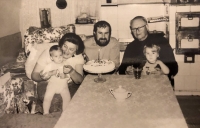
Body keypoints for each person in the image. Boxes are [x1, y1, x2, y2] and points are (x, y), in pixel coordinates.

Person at [118, 16, 178, 88]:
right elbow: (122, 69)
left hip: (160, 85)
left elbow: (174, 67)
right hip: (139, 85)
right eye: (134, 29)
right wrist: (126, 71)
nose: (137, 31)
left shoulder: (161, 41)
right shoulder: (130, 47)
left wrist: (162, 73)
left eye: (140, 27)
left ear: (147, 26)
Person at [31, 33, 85, 112]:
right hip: (46, 83)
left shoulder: (78, 57)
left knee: (73, 102)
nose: (66, 51)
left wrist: (72, 71)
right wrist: (43, 77)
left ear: (76, 51)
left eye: (71, 49)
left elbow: (79, 81)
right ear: (61, 44)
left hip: (68, 84)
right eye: (65, 46)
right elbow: (34, 75)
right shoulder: (49, 52)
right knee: (53, 101)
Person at [42, 45, 71, 115]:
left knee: (67, 98)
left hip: (63, 86)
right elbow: (43, 76)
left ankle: (65, 113)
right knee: (47, 98)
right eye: (56, 56)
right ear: (51, 58)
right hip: (52, 85)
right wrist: (51, 73)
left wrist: (65, 76)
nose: (59, 58)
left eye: (60, 55)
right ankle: (45, 112)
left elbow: (69, 76)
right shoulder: (49, 65)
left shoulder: (65, 64)